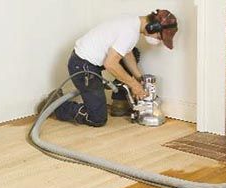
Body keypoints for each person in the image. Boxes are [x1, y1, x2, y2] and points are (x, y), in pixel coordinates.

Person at [38, 9, 178, 127]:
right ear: (152, 27)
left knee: (133, 53)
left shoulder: (132, 23)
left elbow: (126, 54)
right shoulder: (130, 31)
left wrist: (139, 78)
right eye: (160, 37)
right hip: (82, 66)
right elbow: (110, 64)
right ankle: (55, 106)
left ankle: (119, 102)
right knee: (97, 118)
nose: (158, 41)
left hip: (91, 62)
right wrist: (134, 85)